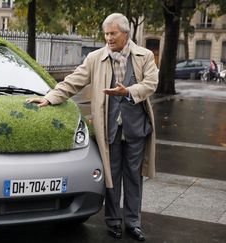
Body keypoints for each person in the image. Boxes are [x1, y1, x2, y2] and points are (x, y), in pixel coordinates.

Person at [27, 13, 158, 241]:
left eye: (113, 33)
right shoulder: (95, 58)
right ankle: (114, 222)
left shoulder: (144, 56)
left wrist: (127, 91)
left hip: (136, 128)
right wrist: (50, 97)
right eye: (106, 33)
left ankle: (134, 223)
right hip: (108, 128)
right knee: (111, 176)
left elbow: (151, 84)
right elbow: (73, 81)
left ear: (125, 33)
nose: (108, 37)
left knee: (133, 177)